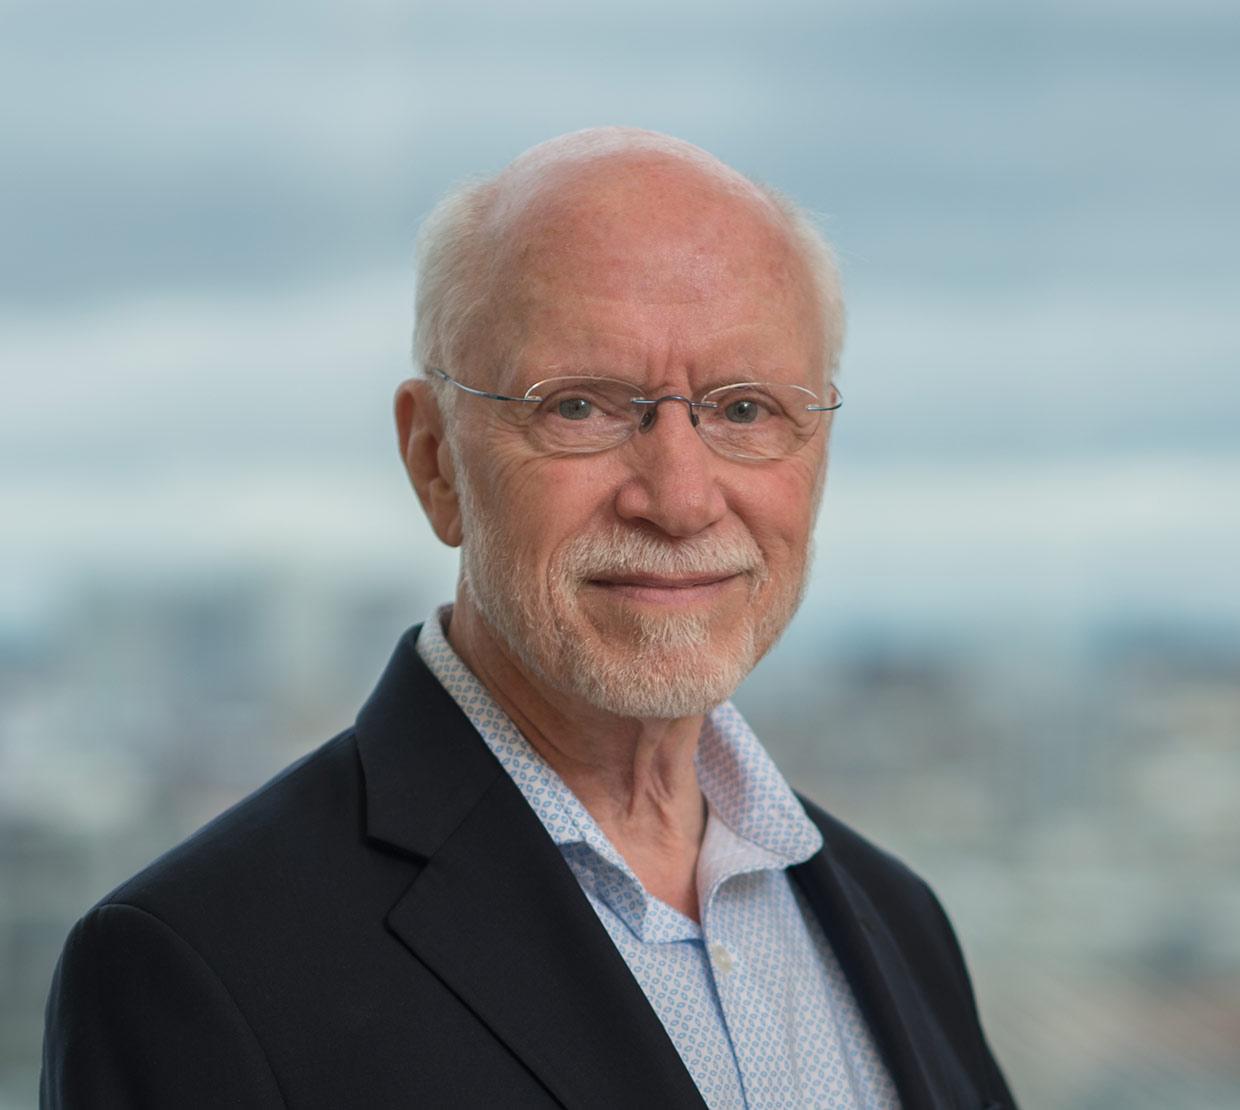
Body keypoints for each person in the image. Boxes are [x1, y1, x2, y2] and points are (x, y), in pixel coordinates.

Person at [41, 127, 1015, 1109]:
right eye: (580, 407)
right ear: (434, 461)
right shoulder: (201, 966)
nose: (679, 500)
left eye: (745, 410)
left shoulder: (900, 923)